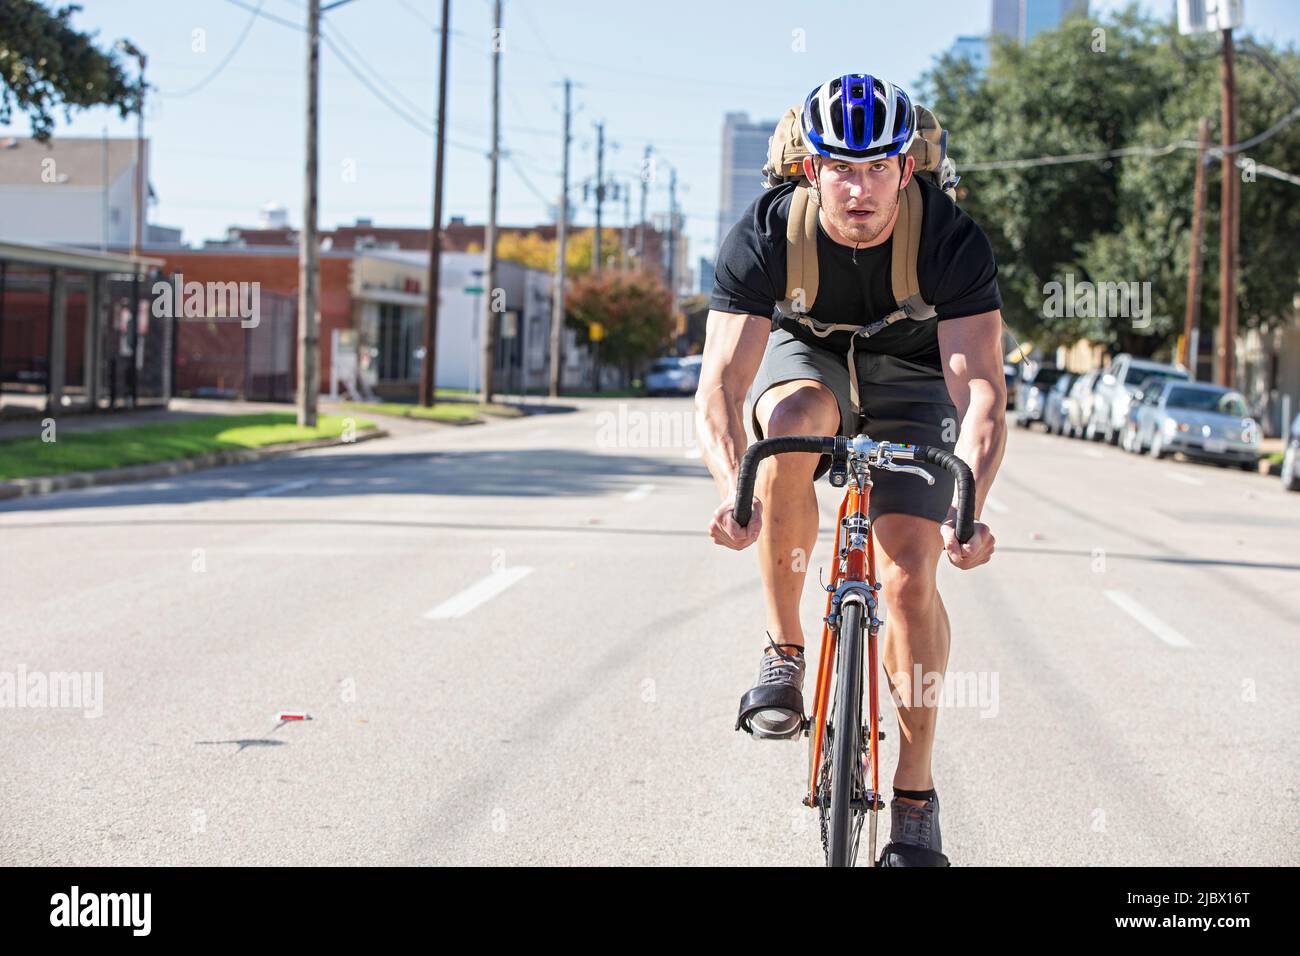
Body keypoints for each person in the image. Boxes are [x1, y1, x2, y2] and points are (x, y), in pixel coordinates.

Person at [694, 73, 1006, 866]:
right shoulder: (767, 234)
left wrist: (966, 508)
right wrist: (734, 489)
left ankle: (913, 800)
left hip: (915, 384)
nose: (859, 187)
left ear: (907, 170)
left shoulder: (949, 239)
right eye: (842, 168)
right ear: (812, 170)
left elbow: (982, 396)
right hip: (812, 364)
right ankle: (784, 652)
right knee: (789, 429)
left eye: (877, 168)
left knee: (907, 576)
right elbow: (722, 388)